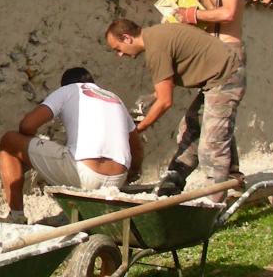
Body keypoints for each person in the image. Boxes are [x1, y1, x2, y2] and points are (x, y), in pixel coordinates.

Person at [105, 18, 245, 200]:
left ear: (127, 38)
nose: (120, 55)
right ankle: (173, 181)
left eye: (118, 48)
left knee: (212, 143)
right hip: (216, 78)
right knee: (192, 128)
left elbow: (165, 102)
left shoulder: (156, 49)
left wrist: (137, 129)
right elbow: (164, 86)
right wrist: (151, 97)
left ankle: (214, 203)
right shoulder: (156, 36)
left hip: (226, 75)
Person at [0, 67, 142, 223]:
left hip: (83, 173)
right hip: (117, 179)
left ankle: (16, 217)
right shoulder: (114, 98)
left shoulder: (68, 90)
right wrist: (131, 176)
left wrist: (29, 150)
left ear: (64, 84)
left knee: (9, 140)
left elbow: (26, 125)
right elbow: (137, 148)